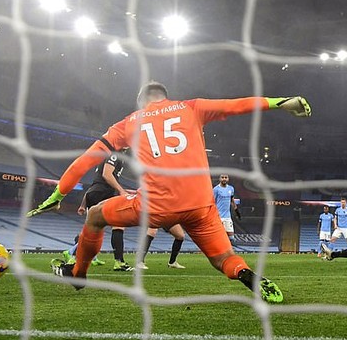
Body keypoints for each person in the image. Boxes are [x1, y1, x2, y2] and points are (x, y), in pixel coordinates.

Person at [28, 81, 311, 302]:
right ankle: (245, 273)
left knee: (96, 215)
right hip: (201, 205)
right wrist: (281, 102)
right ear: (165, 96)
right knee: (223, 258)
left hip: (156, 207)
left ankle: (78, 274)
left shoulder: (128, 123)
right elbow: (235, 105)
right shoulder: (191, 107)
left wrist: (58, 196)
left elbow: (85, 161)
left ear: (141, 101)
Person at [66, 150, 133, 272]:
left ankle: (73, 254)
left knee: (93, 229)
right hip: (103, 193)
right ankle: (119, 262)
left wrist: (83, 204)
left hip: (95, 193)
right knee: (118, 225)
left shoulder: (109, 157)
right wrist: (121, 190)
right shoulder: (114, 155)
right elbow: (106, 175)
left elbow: (94, 185)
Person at [212, 174, 239, 240]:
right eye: (222, 177)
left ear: (228, 179)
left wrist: (236, 211)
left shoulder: (231, 188)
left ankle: (228, 249)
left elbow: (232, 200)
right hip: (218, 217)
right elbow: (213, 202)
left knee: (231, 238)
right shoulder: (216, 189)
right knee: (217, 237)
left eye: (225, 177)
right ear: (220, 179)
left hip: (227, 217)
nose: (224, 179)